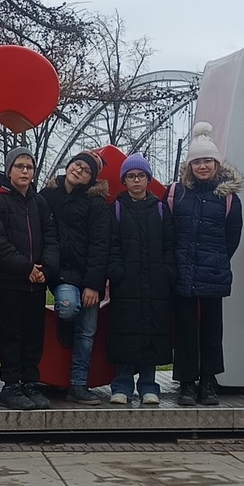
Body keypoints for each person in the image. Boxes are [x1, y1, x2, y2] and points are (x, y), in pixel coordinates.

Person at [169, 123, 243, 406]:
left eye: (207, 161)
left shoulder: (228, 198)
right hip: (183, 271)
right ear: (189, 166)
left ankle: (209, 381)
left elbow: (232, 237)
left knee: (212, 331)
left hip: (213, 271)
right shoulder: (176, 193)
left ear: (216, 165)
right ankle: (187, 383)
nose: (202, 166)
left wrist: (215, 261)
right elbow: (169, 232)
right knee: (185, 330)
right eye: (197, 161)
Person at [0, 145, 53, 410]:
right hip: (8, 282)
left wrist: (46, 268)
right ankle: (11, 386)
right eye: (19, 166)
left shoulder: (39, 202)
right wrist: (26, 268)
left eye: (29, 167)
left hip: (36, 284)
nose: (24, 171)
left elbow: (52, 237)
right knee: (11, 335)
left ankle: (30, 383)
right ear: (9, 170)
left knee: (34, 335)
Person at [42, 151, 111, 404]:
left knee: (87, 332)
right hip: (61, 274)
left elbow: (100, 245)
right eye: (77, 164)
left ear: (92, 179)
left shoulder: (97, 203)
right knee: (69, 307)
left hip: (89, 277)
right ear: (69, 164)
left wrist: (93, 285)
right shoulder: (48, 195)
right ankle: (65, 325)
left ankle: (78, 385)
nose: (79, 170)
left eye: (86, 170)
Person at [105, 155, 174, 404]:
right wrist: (117, 271)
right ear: (124, 181)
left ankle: (148, 386)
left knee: (151, 332)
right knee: (125, 332)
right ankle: (121, 386)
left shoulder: (160, 208)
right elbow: (111, 244)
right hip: (127, 282)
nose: (136, 180)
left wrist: (167, 271)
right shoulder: (116, 208)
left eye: (141, 176)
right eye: (131, 176)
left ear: (148, 179)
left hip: (156, 282)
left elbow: (169, 244)